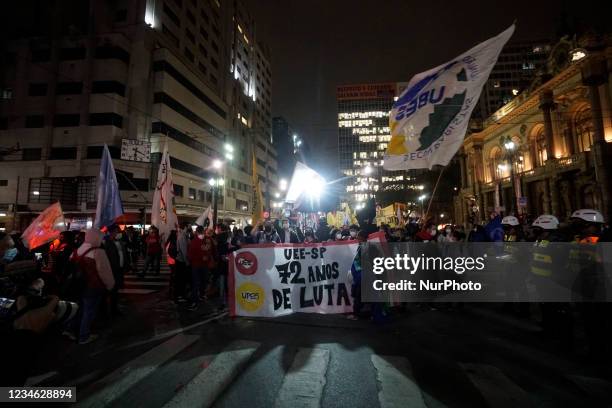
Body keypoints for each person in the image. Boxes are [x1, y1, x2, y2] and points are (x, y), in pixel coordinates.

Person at [66, 229, 115, 344]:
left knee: (80, 309)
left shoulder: (78, 249)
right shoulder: (98, 251)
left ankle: (70, 330)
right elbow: (104, 272)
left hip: (78, 286)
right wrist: (110, 285)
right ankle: (84, 336)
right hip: (93, 287)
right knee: (89, 311)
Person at [187, 226, 216, 310]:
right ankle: (196, 300)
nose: (202, 234)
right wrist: (203, 257)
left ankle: (199, 297)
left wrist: (207, 256)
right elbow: (190, 255)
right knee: (198, 283)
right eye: (201, 233)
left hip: (201, 265)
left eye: (202, 233)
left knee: (201, 282)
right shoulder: (197, 241)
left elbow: (210, 250)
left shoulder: (203, 240)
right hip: (198, 265)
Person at [103, 225, 127, 316]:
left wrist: (125, 265)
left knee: (115, 290)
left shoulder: (118, 242)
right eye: (116, 231)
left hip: (119, 269)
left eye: (118, 231)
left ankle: (114, 308)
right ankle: (110, 310)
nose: (118, 233)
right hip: (111, 270)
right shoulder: (106, 243)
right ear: (111, 232)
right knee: (110, 291)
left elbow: (122, 254)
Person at [173, 223, 191, 303]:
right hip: (181, 261)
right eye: (189, 226)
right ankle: (179, 296)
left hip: (181, 261)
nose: (190, 227)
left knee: (180, 279)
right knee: (181, 280)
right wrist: (187, 262)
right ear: (186, 227)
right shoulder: (182, 236)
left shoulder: (184, 235)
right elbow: (184, 251)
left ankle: (179, 295)